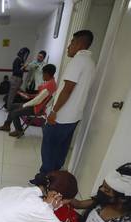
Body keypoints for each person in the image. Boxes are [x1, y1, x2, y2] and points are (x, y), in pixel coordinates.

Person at [35, 30, 95, 179]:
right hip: (74, 115)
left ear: (80, 44)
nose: (69, 46)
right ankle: (55, 179)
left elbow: (67, 89)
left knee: (49, 148)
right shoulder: (91, 63)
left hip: (61, 116)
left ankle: (44, 180)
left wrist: (54, 111)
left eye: (71, 42)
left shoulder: (77, 61)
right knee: (61, 149)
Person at [0, 64, 58, 138]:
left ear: (47, 74)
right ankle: (7, 125)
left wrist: (25, 104)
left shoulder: (49, 85)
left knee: (14, 112)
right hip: (36, 106)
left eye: (43, 73)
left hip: (36, 109)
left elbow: (37, 101)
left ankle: (19, 130)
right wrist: (29, 95)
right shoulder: (51, 82)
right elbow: (40, 97)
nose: (42, 75)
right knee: (12, 106)